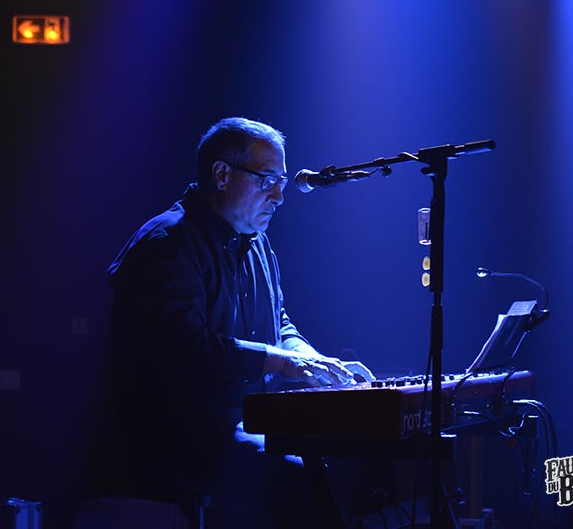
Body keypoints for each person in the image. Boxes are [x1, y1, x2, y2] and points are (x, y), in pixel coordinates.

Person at [107, 117, 375, 527]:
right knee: (302, 478)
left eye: (281, 181)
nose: (280, 196)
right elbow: (185, 347)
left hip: (247, 419)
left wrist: (313, 362)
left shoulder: (257, 243)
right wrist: (283, 361)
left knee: (361, 459)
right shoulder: (167, 242)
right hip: (180, 434)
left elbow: (279, 323)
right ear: (221, 175)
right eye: (268, 180)